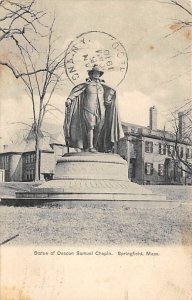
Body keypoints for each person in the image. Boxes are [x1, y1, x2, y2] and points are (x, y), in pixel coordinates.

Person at [64, 64, 124, 153]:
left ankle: (96, 146)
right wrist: (69, 99)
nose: (97, 75)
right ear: (91, 74)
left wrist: (109, 102)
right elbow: (77, 91)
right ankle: (90, 146)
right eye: (95, 73)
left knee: (99, 128)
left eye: (98, 73)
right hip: (88, 108)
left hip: (101, 109)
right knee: (90, 126)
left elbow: (107, 98)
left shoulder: (102, 86)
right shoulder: (87, 84)